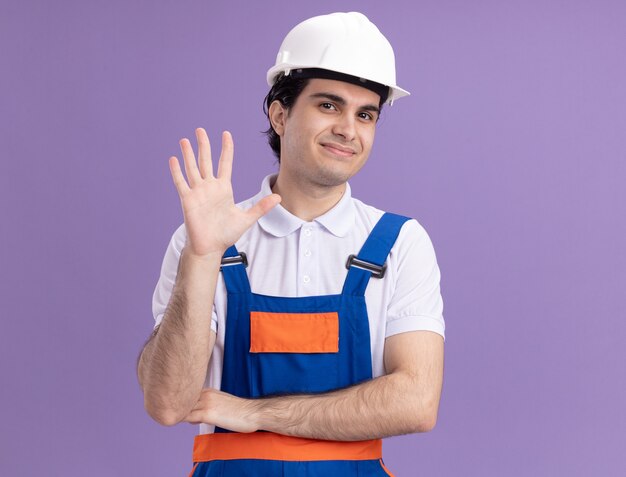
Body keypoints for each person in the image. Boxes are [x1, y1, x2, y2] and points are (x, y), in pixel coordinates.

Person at [138, 11, 445, 477]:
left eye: (366, 114)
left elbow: (416, 403)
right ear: (279, 114)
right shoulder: (206, 240)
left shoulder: (400, 243)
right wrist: (202, 258)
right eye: (328, 106)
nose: (348, 129)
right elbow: (167, 403)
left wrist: (257, 414)